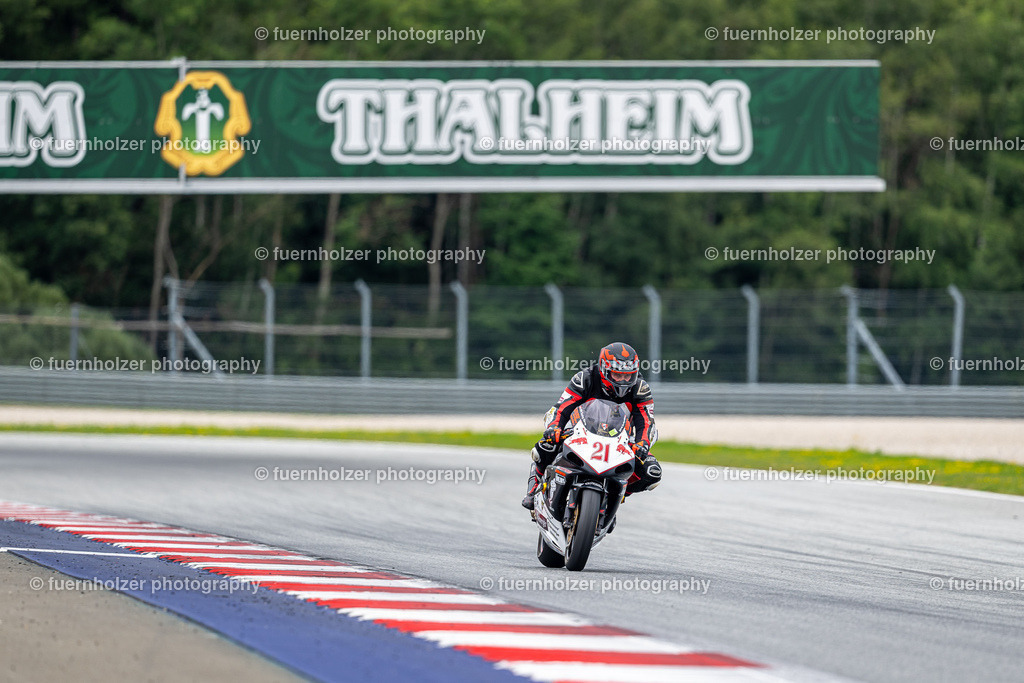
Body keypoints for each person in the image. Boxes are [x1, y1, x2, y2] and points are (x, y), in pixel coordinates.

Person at [522, 341, 662, 509]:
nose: (624, 381)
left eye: (628, 375)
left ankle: (617, 495)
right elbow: (562, 407)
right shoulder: (585, 378)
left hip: (621, 440)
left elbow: (646, 420)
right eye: (617, 375)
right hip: (579, 432)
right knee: (544, 447)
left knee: (652, 473)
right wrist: (554, 428)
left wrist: (642, 444)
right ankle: (534, 488)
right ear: (604, 369)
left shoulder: (640, 388)